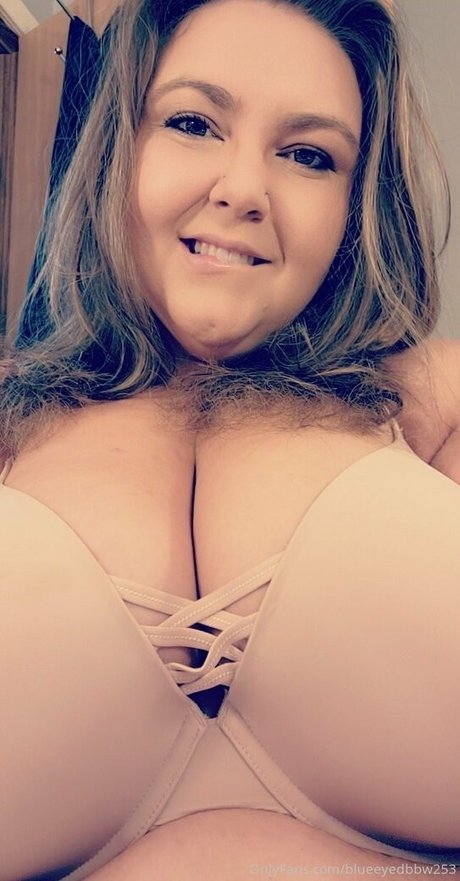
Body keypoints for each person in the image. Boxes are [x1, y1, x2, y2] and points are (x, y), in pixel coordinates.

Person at [1, 0, 459, 879]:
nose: (245, 188)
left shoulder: (438, 399)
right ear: (119, 150)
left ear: (354, 210)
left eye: (308, 155)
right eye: (193, 123)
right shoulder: (10, 414)